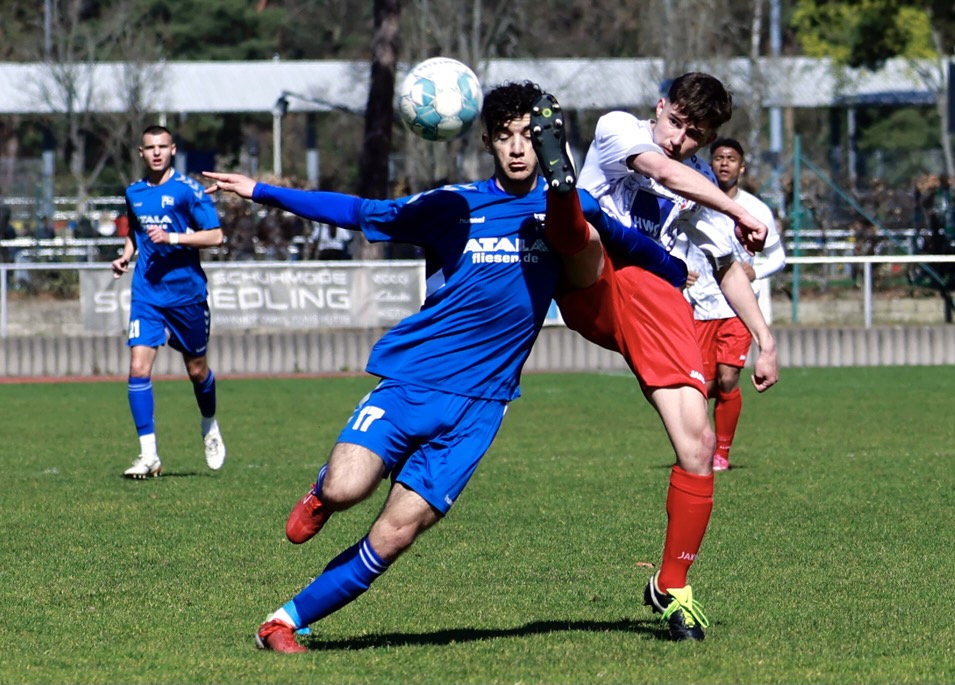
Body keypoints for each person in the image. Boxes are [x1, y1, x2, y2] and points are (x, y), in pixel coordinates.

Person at [202, 81, 688, 654]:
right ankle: (321, 496)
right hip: (414, 380)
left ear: (547, 143)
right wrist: (261, 190)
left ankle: (281, 623)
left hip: (481, 408)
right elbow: (360, 213)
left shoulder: (570, 207)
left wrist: (682, 275)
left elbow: (633, 247)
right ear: (486, 140)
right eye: (505, 137)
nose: (517, 149)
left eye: (529, 137)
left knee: (396, 533)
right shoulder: (452, 206)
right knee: (347, 487)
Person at [528, 74, 778, 642]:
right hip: (593, 282)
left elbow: (727, 269)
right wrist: (737, 210)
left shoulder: (698, 197)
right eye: (676, 123)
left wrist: (766, 339)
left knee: (698, 446)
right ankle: (560, 189)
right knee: (589, 224)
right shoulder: (620, 129)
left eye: (695, 136)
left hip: (651, 305)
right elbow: (661, 170)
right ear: (659, 108)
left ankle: (671, 585)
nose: (678, 140)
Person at [112, 125, 227, 479]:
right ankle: (149, 456)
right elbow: (136, 230)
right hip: (147, 292)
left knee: (196, 371)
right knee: (138, 367)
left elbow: (217, 236)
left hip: (186, 294)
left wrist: (173, 236)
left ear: (173, 149)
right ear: (141, 152)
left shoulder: (189, 191)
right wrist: (125, 255)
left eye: (163, 146)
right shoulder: (134, 192)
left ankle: (209, 423)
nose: (157, 152)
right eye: (150, 147)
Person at [676, 137, 786, 472]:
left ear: (742, 166)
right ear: (709, 164)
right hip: (698, 307)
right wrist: (680, 270)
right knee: (703, 386)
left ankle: (722, 452)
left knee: (727, 378)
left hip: (736, 309)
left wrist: (756, 270)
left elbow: (777, 256)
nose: (725, 163)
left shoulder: (755, 208)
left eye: (731, 158)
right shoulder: (692, 200)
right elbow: (675, 240)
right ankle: (701, 446)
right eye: (719, 158)